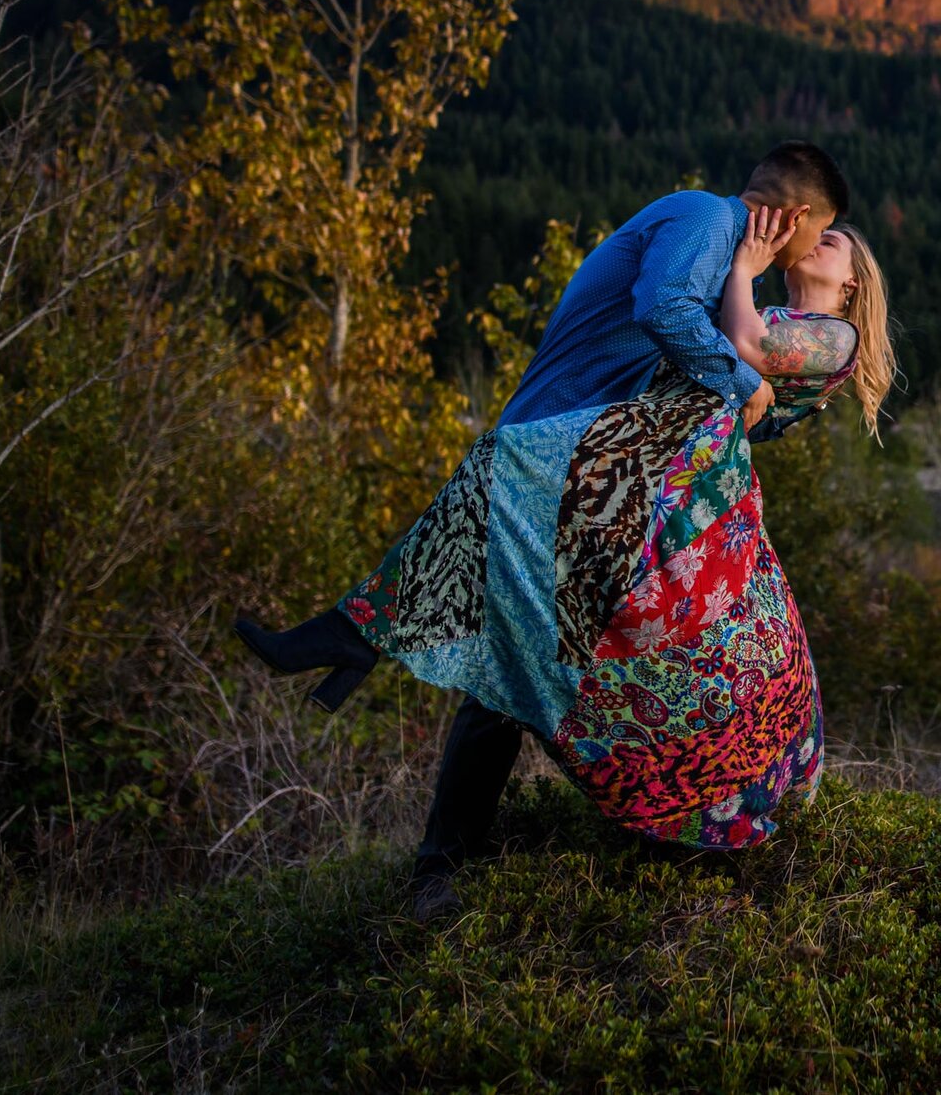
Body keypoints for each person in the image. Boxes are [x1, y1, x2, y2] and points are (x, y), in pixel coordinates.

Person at [232, 141, 894, 921]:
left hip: (638, 507)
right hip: (599, 481)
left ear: (852, 282)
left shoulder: (816, 329)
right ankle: (430, 838)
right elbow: (690, 330)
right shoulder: (711, 227)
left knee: (546, 663)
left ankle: (367, 663)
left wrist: (741, 342)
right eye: (821, 229)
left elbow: (729, 382)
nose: (818, 244)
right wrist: (741, 360)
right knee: (512, 660)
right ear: (794, 216)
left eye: (836, 245)